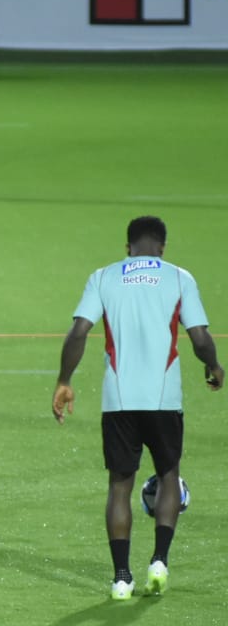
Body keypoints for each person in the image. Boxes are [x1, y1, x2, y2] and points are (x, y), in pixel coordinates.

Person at [52, 216, 222, 601]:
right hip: (164, 399)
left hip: (119, 401)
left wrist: (64, 380)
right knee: (168, 475)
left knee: (119, 485)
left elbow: (79, 331)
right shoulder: (179, 277)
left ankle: (122, 578)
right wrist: (213, 366)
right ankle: (159, 561)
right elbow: (199, 337)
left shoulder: (104, 277)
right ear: (162, 247)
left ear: (127, 246)